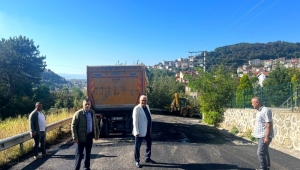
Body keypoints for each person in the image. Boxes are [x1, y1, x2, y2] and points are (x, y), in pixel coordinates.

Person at [71, 98, 100, 170]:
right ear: (83, 105)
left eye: (88, 104)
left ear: (90, 105)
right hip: (80, 138)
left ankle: (86, 168)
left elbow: (95, 124)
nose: (87, 106)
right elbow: (73, 126)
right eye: (86, 104)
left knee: (88, 153)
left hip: (89, 136)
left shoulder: (92, 112)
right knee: (79, 155)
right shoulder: (78, 114)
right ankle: (76, 168)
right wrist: (75, 137)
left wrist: (97, 134)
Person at [132, 95, 155, 168]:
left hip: (147, 130)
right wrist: (136, 132)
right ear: (139, 101)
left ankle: (147, 158)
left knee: (149, 144)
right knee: (137, 147)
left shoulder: (147, 107)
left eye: (145, 100)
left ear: (146, 101)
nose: (143, 102)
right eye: (142, 100)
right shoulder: (137, 108)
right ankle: (137, 161)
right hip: (139, 132)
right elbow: (135, 121)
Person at [251, 97, 274, 170]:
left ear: (257, 103)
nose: (252, 104)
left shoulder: (265, 110)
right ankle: (266, 167)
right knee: (264, 152)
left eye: (252, 103)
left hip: (264, 136)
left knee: (260, 153)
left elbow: (269, 124)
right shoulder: (259, 111)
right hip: (260, 135)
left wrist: (267, 137)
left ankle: (263, 168)